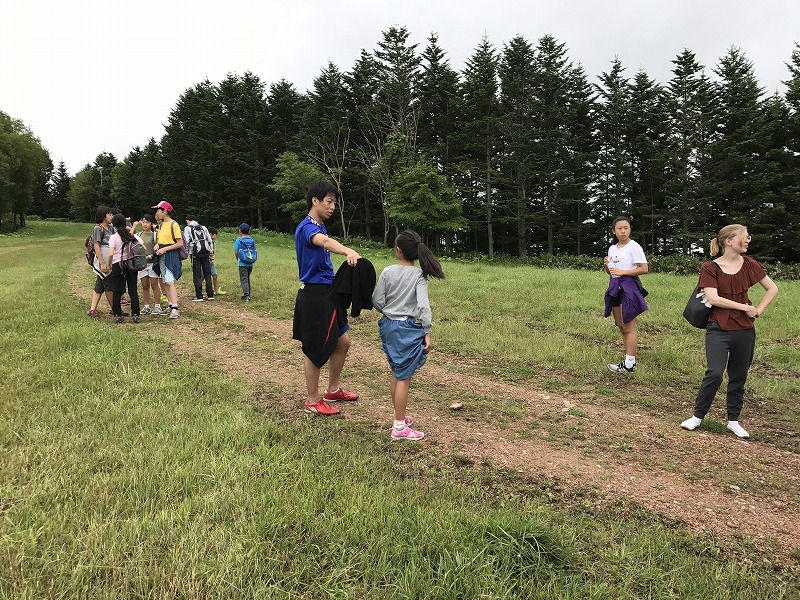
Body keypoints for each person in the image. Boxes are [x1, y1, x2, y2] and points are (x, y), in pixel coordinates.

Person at [681, 225, 778, 439]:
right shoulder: (710, 267)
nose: (748, 241)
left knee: (738, 376)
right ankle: (697, 416)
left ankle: (733, 420)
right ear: (729, 241)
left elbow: (772, 288)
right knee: (714, 373)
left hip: (745, 330)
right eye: (744, 237)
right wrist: (745, 307)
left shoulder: (751, 265)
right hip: (718, 328)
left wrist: (758, 310)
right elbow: (713, 298)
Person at [292, 180, 361, 416]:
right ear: (315, 201)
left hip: (328, 292)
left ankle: (332, 390)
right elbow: (324, 243)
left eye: (334, 203)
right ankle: (313, 400)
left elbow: (325, 240)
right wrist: (347, 250)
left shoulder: (320, 226)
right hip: (315, 295)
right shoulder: (307, 227)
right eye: (329, 202)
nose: (333, 207)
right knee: (315, 348)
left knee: (343, 342)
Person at [372, 230, 445, 441]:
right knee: (404, 376)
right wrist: (428, 331)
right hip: (407, 329)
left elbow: (376, 299)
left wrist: (387, 311)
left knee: (397, 370)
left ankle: (399, 417)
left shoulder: (387, 271)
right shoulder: (419, 276)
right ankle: (399, 427)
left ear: (398, 251)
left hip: (387, 325)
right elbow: (423, 307)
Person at [603, 216, 649, 373]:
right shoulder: (612, 248)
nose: (623, 231)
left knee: (629, 326)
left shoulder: (634, 246)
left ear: (630, 229)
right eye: (619, 228)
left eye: (626, 228)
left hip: (629, 287)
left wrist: (624, 272)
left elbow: (644, 268)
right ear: (613, 231)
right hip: (615, 286)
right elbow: (611, 271)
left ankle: (630, 364)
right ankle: (628, 359)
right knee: (621, 326)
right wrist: (607, 266)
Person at [107, 214, 142, 323]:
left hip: (118, 264)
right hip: (131, 264)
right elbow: (142, 246)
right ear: (125, 223)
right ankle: (135, 314)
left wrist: (109, 264)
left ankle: (117, 314)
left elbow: (111, 254)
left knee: (117, 290)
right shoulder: (131, 235)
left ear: (114, 225)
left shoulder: (113, 237)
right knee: (133, 290)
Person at [152, 200, 183, 319]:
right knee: (165, 281)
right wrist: (157, 245)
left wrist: (165, 249)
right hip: (161, 255)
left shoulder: (174, 224)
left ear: (165, 211)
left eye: (158, 210)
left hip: (170, 254)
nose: (157, 213)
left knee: (170, 281)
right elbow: (160, 240)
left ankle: (175, 308)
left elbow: (179, 243)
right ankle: (170, 305)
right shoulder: (160, 225)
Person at [87, 206, 115, 318]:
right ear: (104, 216)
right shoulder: (98, 229)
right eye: (110, 214)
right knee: (108, 284)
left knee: (100, 284)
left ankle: (92, 310)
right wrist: (102, 262)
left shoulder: (111, 228)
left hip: (109, 260)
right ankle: (115, 310)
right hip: (103, 260)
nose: (111, 216)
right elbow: (97, 246)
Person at [184, 215, 215, 302]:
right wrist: (211, 252)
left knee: (197, 275)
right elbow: (209, 240)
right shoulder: (204, 227)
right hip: (205, 252)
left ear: (189, 220)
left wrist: (186, 253)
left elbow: (186, 241)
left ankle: (199, 295)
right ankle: (210, 294)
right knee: (207, 274)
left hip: (195, 254)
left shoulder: (188, 229)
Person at [135, 214, 161, 315]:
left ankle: (157, 306)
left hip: (152, 263)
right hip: (142, 264)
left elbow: (157, 248)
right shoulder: (139, 235)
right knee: (145, 285)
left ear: (151, 224)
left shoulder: (155, 235)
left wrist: (150, 256)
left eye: (147, 222)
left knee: (154, 284)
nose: (145, 224)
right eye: (143, 222)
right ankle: (146, 306)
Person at [233, 223, 256, 302]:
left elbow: (236, 252)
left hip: (242, 263)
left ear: (240, 231)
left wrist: (238, 259)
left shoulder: (238, 240)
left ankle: (246, 296)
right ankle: (248, 293)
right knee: (247, 278)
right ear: (249, 231)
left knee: (244, 279)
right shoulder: (252, 240)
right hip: (250, 263)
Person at [208, 227, 227, 296]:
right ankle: (199, 291)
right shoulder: (205, 243)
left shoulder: (213, 244)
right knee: (202, 277)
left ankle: (216, 290)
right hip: (205, 262)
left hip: (211, 262)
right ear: (211, 234)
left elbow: (213, 252)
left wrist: (213, 256)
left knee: (215, 275)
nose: (215, 236)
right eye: (215, 234)